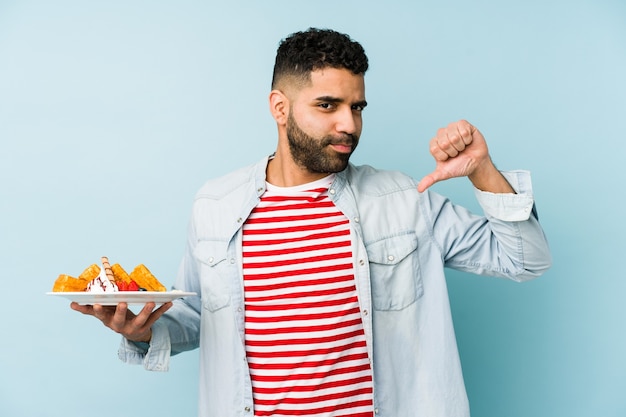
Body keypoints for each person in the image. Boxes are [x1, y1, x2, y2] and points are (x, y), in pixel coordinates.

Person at [72, 28, 551, 417]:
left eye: (357, 107)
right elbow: (199, 320)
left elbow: (525, 260)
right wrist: (141, 330)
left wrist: (482, 170)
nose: (349, 124)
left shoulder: (403, 199)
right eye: (328, 105)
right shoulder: (215, 205)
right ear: (280, 108)